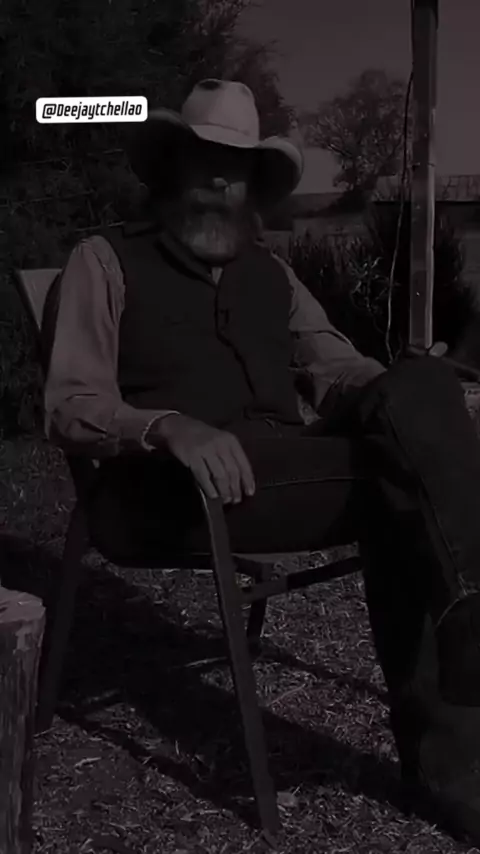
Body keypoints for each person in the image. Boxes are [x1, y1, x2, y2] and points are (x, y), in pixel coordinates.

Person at [44, 79, 480, 844]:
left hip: (284, 467)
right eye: (204, 158)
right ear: (171, 166)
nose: (220, 177)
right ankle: (457, 751)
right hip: (165, 489)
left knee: (420, 391)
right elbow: (69, 404)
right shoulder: (103, 260)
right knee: (405, 486)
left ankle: (470, 618)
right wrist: (167, 425)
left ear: (253, 183)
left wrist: (422, 395)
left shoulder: (271, 273)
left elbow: (337, 368)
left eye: (237, 165)